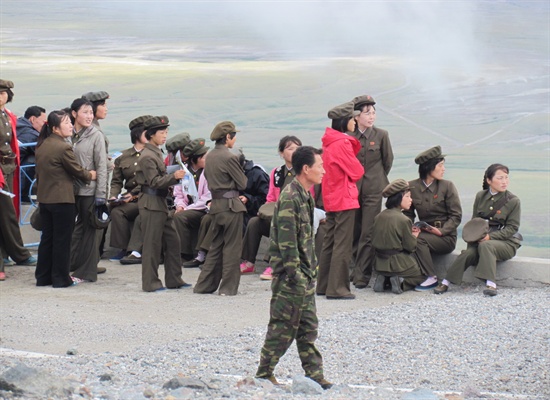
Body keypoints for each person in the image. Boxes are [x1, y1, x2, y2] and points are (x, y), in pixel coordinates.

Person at [256, 146, 332, 390]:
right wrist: (297, 276)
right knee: (282, 326)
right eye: (319, 166)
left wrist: (311, 271)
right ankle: (264, 373)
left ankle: (315, 375)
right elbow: (288, 244)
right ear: (306, 169)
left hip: (304, 274)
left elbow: (305, 239)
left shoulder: (305, 194)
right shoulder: (290, 197)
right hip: (292, 277)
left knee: (308, 327)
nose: (323, 170)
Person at [434, 164, 521, 296]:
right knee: (467, 254)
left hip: (506, 242)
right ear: (489, 180)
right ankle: (446, 282)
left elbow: (512, 228)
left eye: (506, 178)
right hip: (481, 240)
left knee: (487, 245)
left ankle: (491, 284)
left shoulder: (513, 201)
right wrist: (472, 244)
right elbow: (474, 224)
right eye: (500, 178)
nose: (505, 182)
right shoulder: (480, 196)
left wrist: (490, 237)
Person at [34, 110, 96, 287]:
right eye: (66, 123)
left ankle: (43, 277)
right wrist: (91, 175)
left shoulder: (43, 145)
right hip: (62, 200)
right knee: (62, 240)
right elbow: (76, 170)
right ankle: (61, 279)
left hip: (45, 200)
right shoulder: (63, 147)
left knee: (47, 239)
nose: (70, 125)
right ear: (55, 128)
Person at [135, 115, 190, 292]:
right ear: (151, 134)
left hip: (161, 203)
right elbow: (154, 181)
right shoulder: (147, 156)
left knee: (173, 241)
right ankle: (150, 282)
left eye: (166, 132)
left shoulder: (156, 152)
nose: (165, 135)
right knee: (152, 245)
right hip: (151, 203)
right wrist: (173, 177)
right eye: (161, 132)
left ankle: (174, 279)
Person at [193, 121, 248, 296]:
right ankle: (228, 288)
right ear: (227, 137)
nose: (234, 139)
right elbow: (243, 183)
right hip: (231, 206)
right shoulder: (229, 157)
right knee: (232, 248)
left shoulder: (209, 156)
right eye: (233, 136)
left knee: (215, 246)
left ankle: (204, 285)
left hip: (216, 205)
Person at [316, 101, 364, 300]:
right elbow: (357, 171)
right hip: (344, 198)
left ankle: (324, 285)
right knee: (342, 245)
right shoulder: (342, 143)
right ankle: (338, 288)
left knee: (330, 241)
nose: (355, 121)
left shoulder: (328, 142)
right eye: (353, 119)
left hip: (331, 197)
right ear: (346, 121)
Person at [239, 135, 304, 278]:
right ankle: (249, 262)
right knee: (255, 223)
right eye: (290, 148)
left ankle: (274, 265)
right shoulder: (276, 172)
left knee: (280, 222)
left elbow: (308, 197)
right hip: (276, 211)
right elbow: (270, 198)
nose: (294, 151)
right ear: (281, 153)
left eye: (298, 148)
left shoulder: (303, 171)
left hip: (296, 217)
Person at [350, 95, 394, 289]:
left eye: (374, 112)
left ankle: (362, 275)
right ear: (356, 116)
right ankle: (352, 269)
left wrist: (376, 179)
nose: (371, 116)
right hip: (352, 189)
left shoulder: (381, 135)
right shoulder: (348, 137)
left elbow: (387, 161)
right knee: (353, 230)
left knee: (368, 232)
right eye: (367, 113)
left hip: (374, 189)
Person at [403, 146, 462, 290]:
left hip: (445, 237)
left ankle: (431, 277)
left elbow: (456, 216)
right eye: (440, 165)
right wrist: (412, 228)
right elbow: (408, 214)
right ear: (429, 167)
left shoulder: (447, 186)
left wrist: (441, 231)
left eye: (443, 165)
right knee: (408, 238)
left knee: (419, 240)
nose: (443, 169)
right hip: (423, 232)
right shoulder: (412, 186)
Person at [0, 79, 37, 281]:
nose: (0, 96)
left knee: (9, 213)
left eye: (3, 92)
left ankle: (8, 255)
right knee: (6, 214)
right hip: (0, 170)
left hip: (10, 168)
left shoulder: (8, 116)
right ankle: (19, 254)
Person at [69, 97, 108, 283]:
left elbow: (102, 166)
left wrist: (101, 195)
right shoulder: (69, 134)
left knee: (90, 231)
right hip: (71, 190)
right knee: (76, 229)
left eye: (91, 112)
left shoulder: (95, 135)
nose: (89, 116)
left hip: (90, 191)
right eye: (85, 112)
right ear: (74, 113)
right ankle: (71, 265)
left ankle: (86, 272)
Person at [107, 115, 151, 260]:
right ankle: (123, 248)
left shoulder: (152, 155)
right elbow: (116, 182)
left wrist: (132, 195)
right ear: (138, 134)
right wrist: (114, 196)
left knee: (123, 212)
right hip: (128, 199)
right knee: (114, 211)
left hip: (145, 197)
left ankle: (131, 250)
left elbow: (148, 180)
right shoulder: (123, 156)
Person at [372, 179, 426, 294]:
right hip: (397, 263)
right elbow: (410, 247)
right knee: (420, 276)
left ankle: (384, 279)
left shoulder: (379, 216)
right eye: (407, 196)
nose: (411, 200)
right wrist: (414, 235)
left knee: (389, 271)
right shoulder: (404, 219)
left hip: (379, 263)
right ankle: (401, 283)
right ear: (398, 198)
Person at [173, 138, 211, 261]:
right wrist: (180, 205)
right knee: (170, 215)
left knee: (180, 217)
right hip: (187, 207)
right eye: (204, 157)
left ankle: (185, 253)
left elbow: (207, 197)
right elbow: (178, 193)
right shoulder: (183, 172)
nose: (207, 159)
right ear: (195, 159)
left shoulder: (208, 172)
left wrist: (186, 209)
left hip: (201, 208)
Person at [16, 106, 47, 202]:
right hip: (14, 169)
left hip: (10, 166)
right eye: (43, 122)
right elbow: (45, 151)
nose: (45, 125)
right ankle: (24, 194)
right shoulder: (30, 134)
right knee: (34, 160)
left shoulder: (18, 124)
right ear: (32, 119)